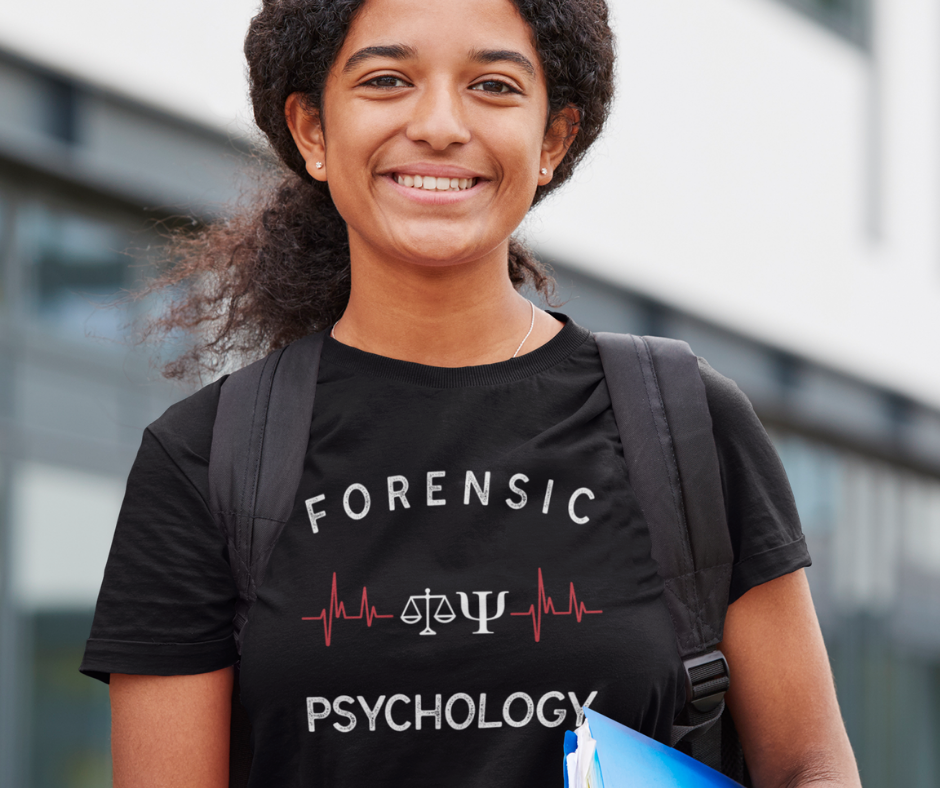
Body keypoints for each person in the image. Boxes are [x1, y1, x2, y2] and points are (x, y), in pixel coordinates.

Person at [80, 0, 862, 786]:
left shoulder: (682, 422)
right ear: (313, 131)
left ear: (553, 138)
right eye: (387, 79)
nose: (441, 123)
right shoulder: (205, 459)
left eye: (493, 85)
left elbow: (810, 767)